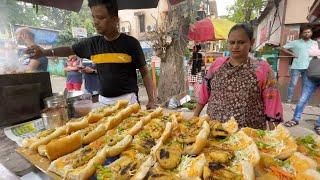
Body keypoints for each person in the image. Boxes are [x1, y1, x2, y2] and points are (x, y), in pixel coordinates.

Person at [25, 0, 156, 109]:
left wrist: (151, 100)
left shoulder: (131, 43)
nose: (95, 22)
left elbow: (145, 72)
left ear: (115, 20)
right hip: (104, 102)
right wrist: (44, 52)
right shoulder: (92, 43)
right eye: (93, 17)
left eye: (100, 17)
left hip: (129, 102)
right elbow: (69, 50)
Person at [194, 23, 283, 130]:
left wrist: (276, 136)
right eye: (232, 42)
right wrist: (194, 118)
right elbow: (204, 93)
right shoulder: (217, 65)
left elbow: (272, 104)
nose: (235, 46)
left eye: (241, 42)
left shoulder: (263, 69)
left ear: (252, 42)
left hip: (248, 135)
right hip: (214, 131)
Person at [284, 38, 320, 134]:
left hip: (312, 73)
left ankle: (319, 124)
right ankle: (295, 119)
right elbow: (311, 52)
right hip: (312, 75)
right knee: (303, 99)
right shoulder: (316, 42)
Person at [281, 25, 316, 103]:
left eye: (308, 32)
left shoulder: (314, 43)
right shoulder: (296, 42)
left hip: (308, 67)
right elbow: (282, 48)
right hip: (296, 66)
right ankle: (289, 99)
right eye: (305, 32)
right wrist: (291, 54)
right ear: (301, 34)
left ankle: (303, 101)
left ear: (311, 33)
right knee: (293, 84)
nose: (307, 34)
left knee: (305, 85)